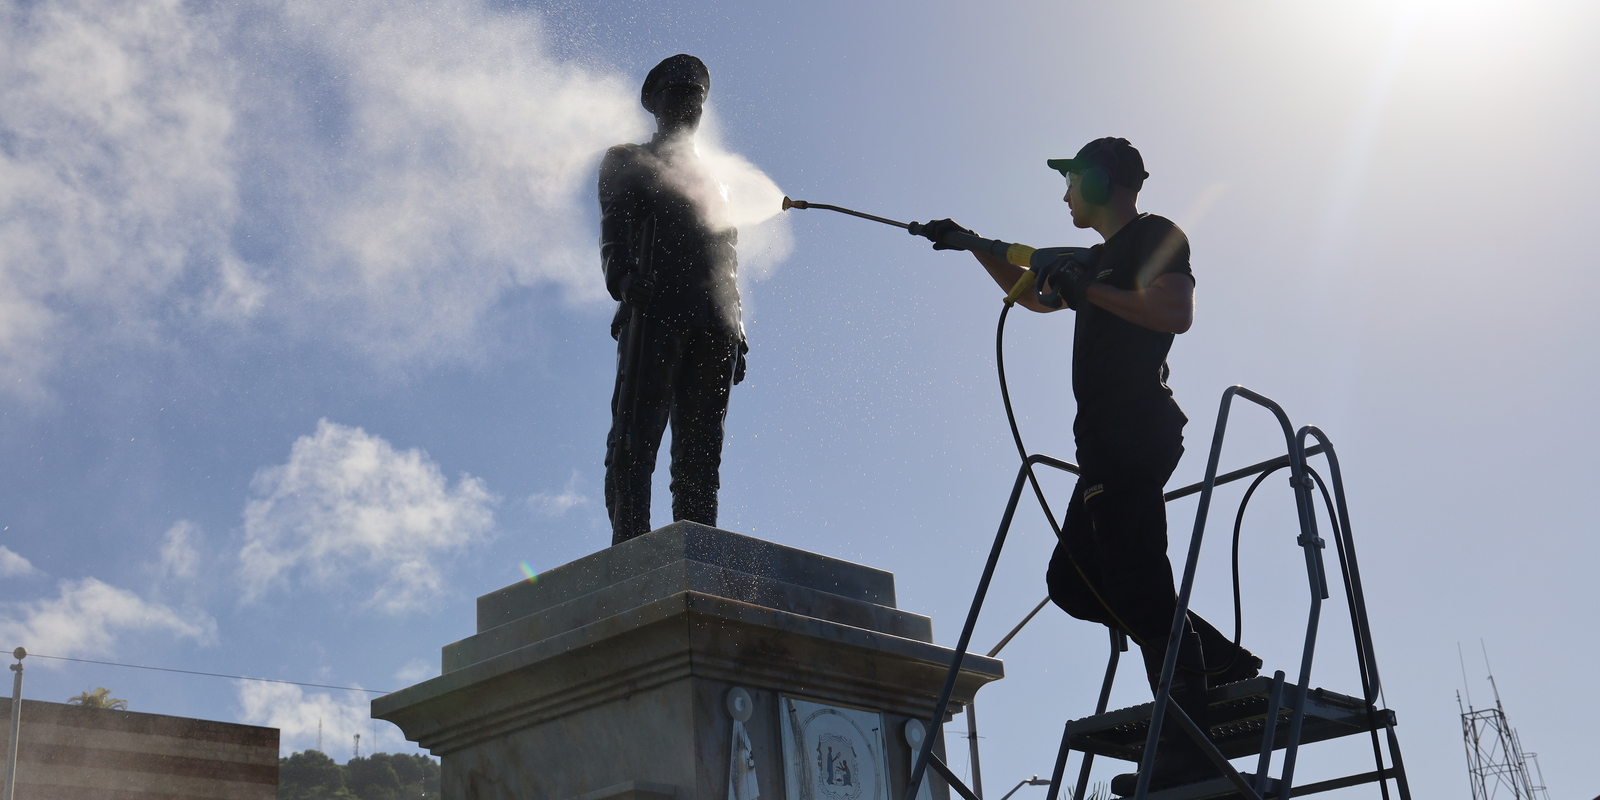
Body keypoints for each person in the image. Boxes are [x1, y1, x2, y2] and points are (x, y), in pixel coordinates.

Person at [919, 137, 1260, 794]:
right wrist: (972, 244)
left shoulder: (1154, 235)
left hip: (1135, 431)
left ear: (1104, 183)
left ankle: (1185, 746)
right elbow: (1033, 294)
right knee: (1073, 581)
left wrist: (1090, 293)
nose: (1065, 194)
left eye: (1073, 181)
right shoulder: (1094, 260)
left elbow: (1174, 310)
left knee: (1134, 577)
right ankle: (1211, 658)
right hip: (1101, 442)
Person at [598, 54, 746, 545]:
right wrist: (621, 276)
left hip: (713, 323)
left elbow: (728, 258)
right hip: (655, 307)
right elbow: (614, 227)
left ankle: (698, 545)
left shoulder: (717, 184)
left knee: (703, 449)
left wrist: (737, 329)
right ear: (657, 104)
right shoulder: (628, 159)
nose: (690, 106)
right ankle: (632, 544)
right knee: (635, 439)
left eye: (697, 99)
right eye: (679, 95)